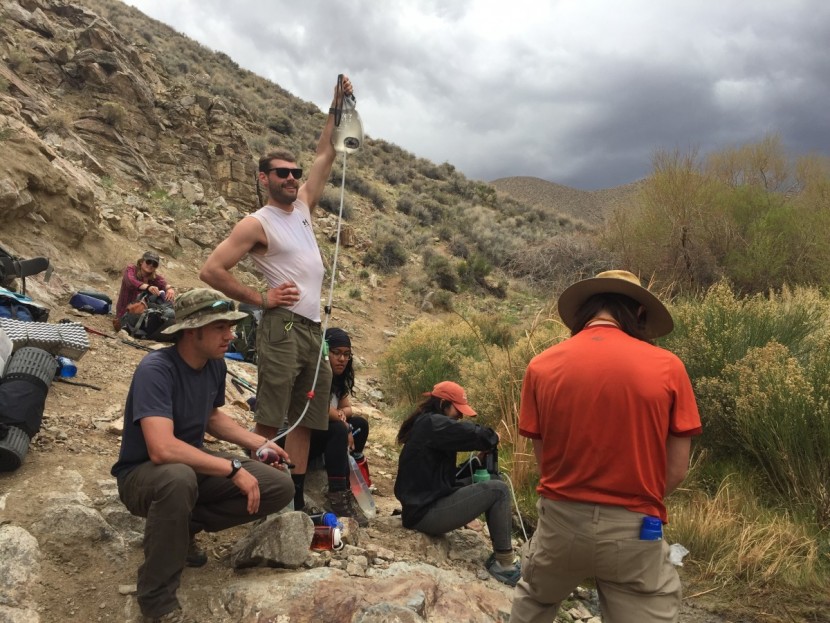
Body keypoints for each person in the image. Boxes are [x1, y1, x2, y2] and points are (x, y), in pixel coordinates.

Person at [510, 270, 703, 623]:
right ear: (639, 313)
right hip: (634, 530)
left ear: (585, 310)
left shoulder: (541, 365)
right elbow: (676, 470)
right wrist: (632, 504)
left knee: (535, 600)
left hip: (560, 524)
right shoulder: (669, 367)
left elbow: (545, 462)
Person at [199, 76, 353, 513]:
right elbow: (211, 269)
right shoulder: (257, 223)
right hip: (282, 326)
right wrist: (261, 299)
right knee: (270, 414)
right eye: (281, 173)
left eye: (294, 173)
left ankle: (294, 499)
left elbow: (325, 154)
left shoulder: (302, 207)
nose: (290, 178)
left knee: (306, 415)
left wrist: (336, 106)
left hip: (313, 329)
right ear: (264, 178)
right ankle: (258, 489)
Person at [111, 288, 294, 623]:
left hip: (188, 466)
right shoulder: (156, 369)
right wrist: (231, 468)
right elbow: (162, 448)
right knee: (178, 478)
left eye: (230, 326)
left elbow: (211, 417)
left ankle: (181, 531)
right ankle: (157, 602)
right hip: (143, 474)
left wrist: (258, 443)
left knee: (279, 486)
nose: (230, 335)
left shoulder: (214, 365)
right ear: (192, 331)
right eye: (220, 327)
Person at [393, 381, 521, 586]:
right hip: (425, 513)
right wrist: (492, 437)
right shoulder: (433, 423)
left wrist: (476, 462)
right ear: (443, 404)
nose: (460, 416)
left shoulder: (428, 424)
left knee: (494, 480)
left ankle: (501, 552)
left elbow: (444, 477)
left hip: (425, 504)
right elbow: (471, 433)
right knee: (500, 490)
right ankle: (505, 564)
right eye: (458, 410)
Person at [307, 328, 370, 524]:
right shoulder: (315, 375)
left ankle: (347, 472)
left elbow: (347, 408)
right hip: (303, 438)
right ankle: (338, 496)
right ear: (326, 353)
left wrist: (341, 416)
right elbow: (320, 410)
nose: (342, 359)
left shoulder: (339, 379)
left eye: (346, 354)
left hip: (327, 432)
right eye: (336, 353)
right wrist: (342, 422)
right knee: (339, 429)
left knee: (360, 424)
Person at [115, 251, 177, 323]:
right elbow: (131, 281)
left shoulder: (154, 278)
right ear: (141, 262)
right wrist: (148, 287)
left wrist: (170, 289)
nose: (151, 265)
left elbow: (163, 284)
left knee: (165, 299)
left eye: (154, 264)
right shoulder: (131, 269)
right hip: (124, 315)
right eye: (148, 262)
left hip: (142, 316)